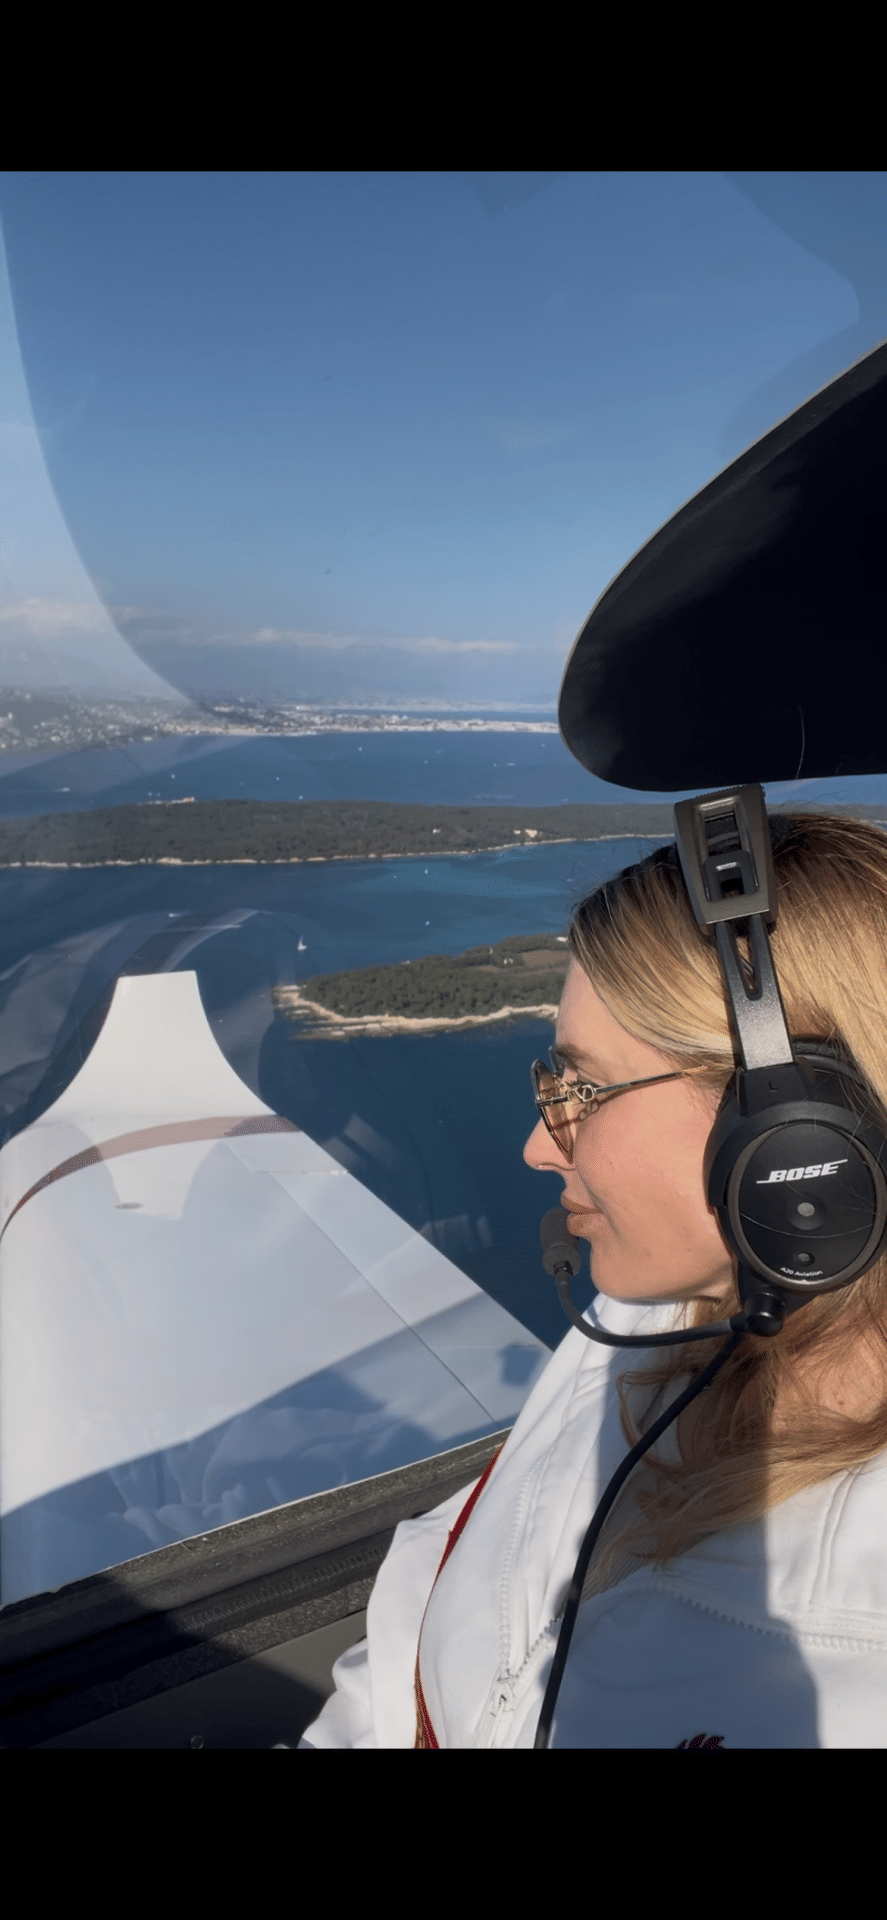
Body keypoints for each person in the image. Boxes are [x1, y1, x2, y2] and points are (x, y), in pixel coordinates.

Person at [299, 813, 887, 1747]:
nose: (538, 1145)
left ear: (797, 1138)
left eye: (581, 1091)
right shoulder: (637, 1327)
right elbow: (426, 1613)